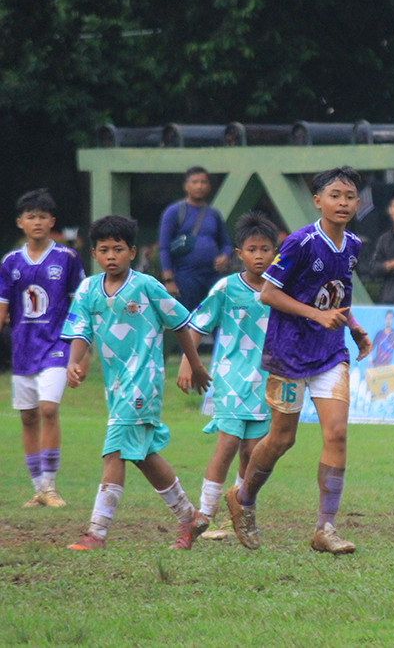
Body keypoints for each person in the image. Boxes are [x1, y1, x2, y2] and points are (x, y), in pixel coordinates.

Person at [225, 167, 372, 555]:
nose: (343, 203)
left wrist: (352, 325)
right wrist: (315, 314)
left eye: (350, 196)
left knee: (337, 433)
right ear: (318, 201)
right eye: (335, 195)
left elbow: (339, 294)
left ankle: (325, 528)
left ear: (358, 203)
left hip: (330, 352)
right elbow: (269, 294)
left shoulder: (353, 244)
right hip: (288, 353)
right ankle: (243, 497)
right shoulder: (300, 242)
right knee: (282, 438)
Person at [61, 215, 212, 550]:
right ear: (96, 255)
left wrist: (196, 365)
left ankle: (96, 533)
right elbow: (80, 330)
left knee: (114, 449)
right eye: (104, 250)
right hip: (114, 385)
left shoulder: (146, 285)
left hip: (144, 381)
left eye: (118, 249)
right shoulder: (87, 289)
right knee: (142, 455)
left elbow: (180, 324)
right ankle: (190, 517)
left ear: (132, 252)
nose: (111, 255)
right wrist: (75, 361)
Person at [177, 211, 278, 539]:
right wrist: (188, 364)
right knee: (228, 444)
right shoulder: (226, 288)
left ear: (275, 252)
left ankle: (239, 511)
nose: (259, 255)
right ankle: (204, 514)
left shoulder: (281, 291)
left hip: (267, 379)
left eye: (265, 249)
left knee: (253, 450)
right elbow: (196, 325)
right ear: (240, 254)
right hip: (230, 377)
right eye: (252, 249)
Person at [0, 189, 86, 508]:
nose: (37, 222)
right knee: (27, 418)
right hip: (22, 349)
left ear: (52, 222)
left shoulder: (67, 258)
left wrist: (83, 351)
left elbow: (81, 306)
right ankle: (37, 488)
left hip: (57, 346)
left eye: (43, 216)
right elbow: (3, 308)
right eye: (31, 216)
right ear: (20, 222)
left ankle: (50, 486)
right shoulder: (10, 262)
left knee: (48, 409)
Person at [158, 166, 232, 311]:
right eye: (195, 182)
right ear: (186, 186)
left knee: (218, 316)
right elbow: (164, 247)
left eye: (203, 182)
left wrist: (224, 257)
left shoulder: (214, 214)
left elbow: (226, 244)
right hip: (186, 277)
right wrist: (169, 280)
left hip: (212, 276)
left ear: (209, 186)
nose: (199, 186)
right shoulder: (174, 212)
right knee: (188, 321)